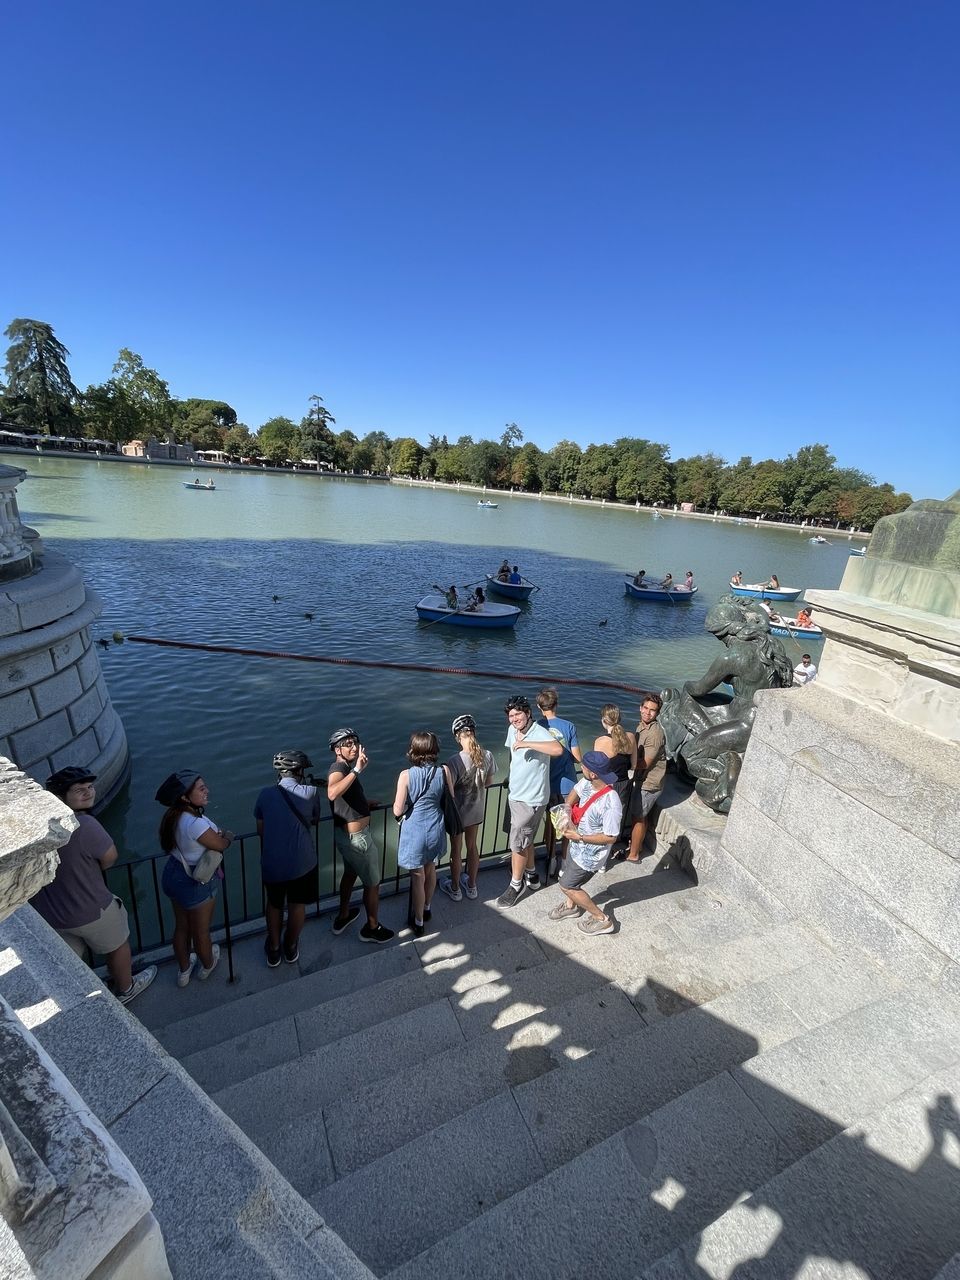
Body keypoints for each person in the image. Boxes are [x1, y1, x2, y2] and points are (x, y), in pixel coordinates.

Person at [31, 768, 156, 1005]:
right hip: (90, 908)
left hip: (51, 912)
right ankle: (126, 988)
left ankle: (81, 997)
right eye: (79, 790)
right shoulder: (85, 825)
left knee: (69, 962)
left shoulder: (39, 826)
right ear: (59, 797)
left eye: (89, 787)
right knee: (118, 946)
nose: (88, 792)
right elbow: (110, 857)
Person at [156, 771, 233, 987]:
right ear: (184, 797)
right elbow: (220, 845)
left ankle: (183, 971)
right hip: (195, 879)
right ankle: (207, 966)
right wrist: (227, 836)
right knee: (201, 930)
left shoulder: (173, 817)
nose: (206, 790)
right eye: (201, 788)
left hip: (174, 873)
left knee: (181, 926)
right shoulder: (195, 823)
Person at [254, 749, 321, 968]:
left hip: (272, 864)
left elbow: (261, 829)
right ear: (299, 771)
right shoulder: (311, 792)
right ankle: (291, 947)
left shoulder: (264, 794)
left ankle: (273, 950)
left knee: (274, 905)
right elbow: (314, 820)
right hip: (303, 863)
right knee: (297, 905)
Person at [327, 728, 394, 944]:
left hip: (346, 837)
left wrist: (365, 804)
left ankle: (344, 915)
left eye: (355, 742)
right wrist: (356, 770)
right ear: (337, 749)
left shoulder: (344, 768)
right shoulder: (339, 768)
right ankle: (372, 928)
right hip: (358, 839)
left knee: (349, 874)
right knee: (373, 884)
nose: (353, 746)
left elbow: (343, 799)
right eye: (347, 744)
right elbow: (332, 792)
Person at [497, 694, 563, 908]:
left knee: (517, 845)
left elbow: (557, 750)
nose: (514, 718)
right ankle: (532, 875)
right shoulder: (512, 730)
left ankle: (515, 885)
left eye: (518, 714)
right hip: (515, 795)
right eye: (511, 715)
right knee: (526, 840)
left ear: (528, 713)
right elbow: (513, 757)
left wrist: (528, 744)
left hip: (531, 799)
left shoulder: (540, 732)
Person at [546, 751, 622, 936]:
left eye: (585, 767)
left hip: (589, 857)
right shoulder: (587, 782)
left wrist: (579, 837)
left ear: (594, 773)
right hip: (575, 846)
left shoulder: (611, 803)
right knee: (567, 875)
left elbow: (611, 837)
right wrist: (565, 817)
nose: (582, 769)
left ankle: (601, 919)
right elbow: (571, 797)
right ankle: (572, 906)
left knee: (567, 885)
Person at [392, 732, 455, 936]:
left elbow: (397, 810)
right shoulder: (444, 771)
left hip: (415, 829)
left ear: (414, 749)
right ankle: (427, 908)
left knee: (417, 877)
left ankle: (418, 921)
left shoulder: (406, 775)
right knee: (431, 869)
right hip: (436, 825)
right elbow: (450, 797)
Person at [439, 715, 496, 901]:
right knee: (473, 847)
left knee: (456, 850)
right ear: (474, 733)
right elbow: (488, 782)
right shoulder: (487, 755)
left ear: (457, 736)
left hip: (458, 813)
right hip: (477, 810)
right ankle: (471, 886)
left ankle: (455, 889)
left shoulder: (454, 761)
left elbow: (449, 791)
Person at [536, 687, 582, 879]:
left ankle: (550, 857)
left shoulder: (537, 726)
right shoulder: (569, 726)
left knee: (550, 824)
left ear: (539, 707)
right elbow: (578, 757)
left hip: (547, 783)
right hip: (568, 783)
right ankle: (564, 860)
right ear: (556, 704)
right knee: (567, 824)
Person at [628, 693, 666, 861]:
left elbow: (645, 763)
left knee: (638, 816)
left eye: (652, 710)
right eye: (645, 708)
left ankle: (634, 855)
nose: (647, 713)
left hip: (649, 782)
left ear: (657, 713)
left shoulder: (655, 734)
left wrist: (623, 761)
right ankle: (638, 845)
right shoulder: (641, 726)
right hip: (641, 779)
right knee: (639, 814)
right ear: (640, 707)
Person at [593, 704, 636, 851]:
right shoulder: (630, 737)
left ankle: (599, 856)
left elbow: (595, 770)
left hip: (605, 786)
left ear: (604, 721)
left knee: (600, 820)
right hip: (623, 784)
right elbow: (633, 765)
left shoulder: (600, 741)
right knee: (615, 822)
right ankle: (608, 854)